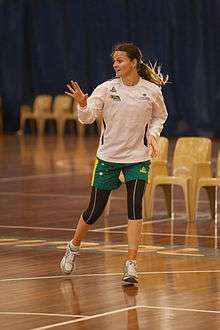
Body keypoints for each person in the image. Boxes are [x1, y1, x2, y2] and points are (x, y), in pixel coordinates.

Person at [60, 42, 168, 284]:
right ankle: (73, 247)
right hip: (108, 158)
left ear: (134, 63)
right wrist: (82, 104)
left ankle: (131, 264)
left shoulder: (151, 91)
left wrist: (153, 134)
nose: (115, 64)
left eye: (120, 60)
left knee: (134, 206)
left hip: (137, 158)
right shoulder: (106, 89)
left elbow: (160, 116)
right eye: (114, 61)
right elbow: (87, 119)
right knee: (94, 211)